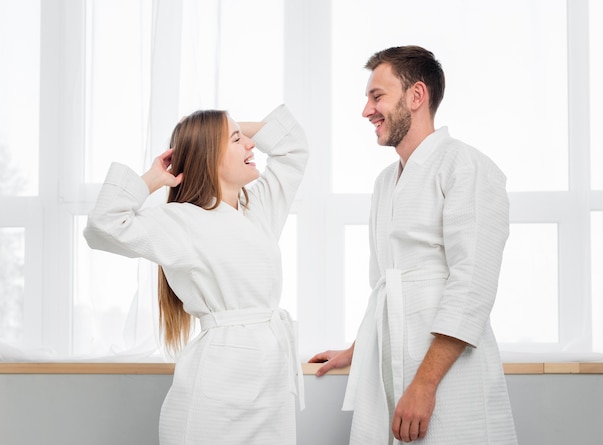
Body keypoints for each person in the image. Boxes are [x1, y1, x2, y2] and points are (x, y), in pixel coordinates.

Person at [309, 46, 518, 444]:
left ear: (416, 96)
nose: (366, 110)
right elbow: (389, 288)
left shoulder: (467, 167)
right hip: (392, 370)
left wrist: (424, 386)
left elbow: (472, 286)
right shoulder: (385, 182)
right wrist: (358, 348)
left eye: (377, 96)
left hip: (446, 379)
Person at [84, 104, 308, 444]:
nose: (250, 144)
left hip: (270, 380)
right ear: (209, 155)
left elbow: (293, 148)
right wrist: (153, 179)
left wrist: (220, 126)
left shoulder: (257, 207)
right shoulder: (181, 222)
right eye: (237, 139)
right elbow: (104, 225)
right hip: (219, 383)